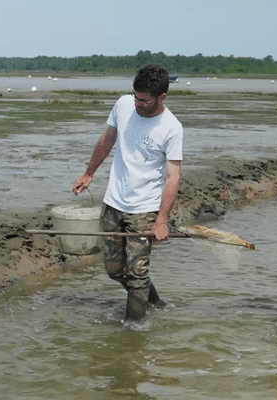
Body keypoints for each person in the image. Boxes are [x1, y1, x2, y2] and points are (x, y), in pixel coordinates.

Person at [72, 63, 183, 322]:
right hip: (114, 202)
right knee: (114, 269)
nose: (137, 103)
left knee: (137, 275)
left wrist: (162, 220)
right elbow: (108, 139)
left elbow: (173, 175)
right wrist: (89, 173)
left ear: (162, 97)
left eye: (144, 100)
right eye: (136, 96)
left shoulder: (171, 127)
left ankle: (133, 331)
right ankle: (154, 301)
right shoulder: (123, 105)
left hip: (144, 209)